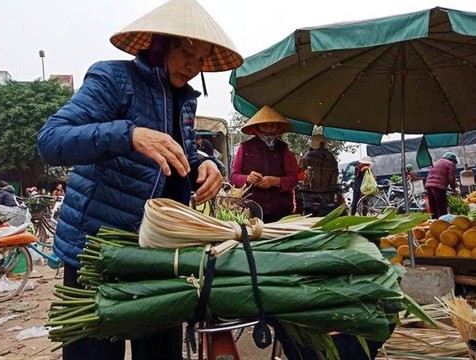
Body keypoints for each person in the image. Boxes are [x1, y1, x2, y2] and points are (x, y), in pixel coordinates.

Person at [36, 0, 242, 359]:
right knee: (96, 351)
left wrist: (205, 165)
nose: (193, 67)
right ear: (161, 43)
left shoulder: (184, 101)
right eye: (187, 53)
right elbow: (52, 140)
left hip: (158, 256)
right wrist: (130, 134)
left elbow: (180, 156)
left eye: (201, 60)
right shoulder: (114, 79)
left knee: (161, 352)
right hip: (98, 252)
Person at [230, 105, 299, 223]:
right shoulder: (245, 147)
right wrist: (248, 178)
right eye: (264, 125)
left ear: (277, 128)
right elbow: (234, 176)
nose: (268, 129)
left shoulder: (283, 148)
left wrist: (274, 181)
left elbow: (293, 179)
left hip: (280, 210)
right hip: (251, 210)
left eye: (272, 125)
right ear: (257, 127)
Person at [297, 134, 342, 216]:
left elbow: (300, 176)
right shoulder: (331, 159)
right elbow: (334, 180)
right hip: (327, 196)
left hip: (308, 195)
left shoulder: (306, 158)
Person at [425, 151, 458, 219]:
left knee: (433, 207)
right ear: (452, 160)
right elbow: (451, 178)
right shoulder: (450, 163)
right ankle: (443, 223)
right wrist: (454, 188)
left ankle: (434, 222)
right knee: (441, 206)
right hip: (438, 187)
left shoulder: (436, 162)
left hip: (429, 186)